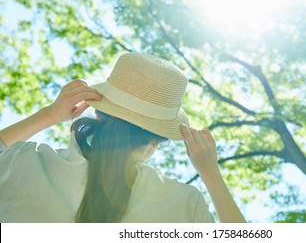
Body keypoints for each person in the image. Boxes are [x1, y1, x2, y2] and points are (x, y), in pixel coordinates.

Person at [0, 52, 246, 223]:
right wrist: (210, 173)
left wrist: (48, 115)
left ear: (97, 112)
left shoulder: (24, 161)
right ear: (155, 141)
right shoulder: (183, 204)